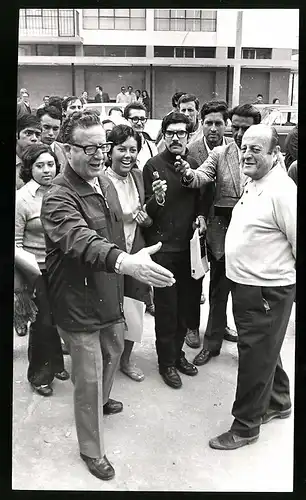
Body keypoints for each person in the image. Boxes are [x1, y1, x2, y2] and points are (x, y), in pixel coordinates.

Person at [40, 111, 175, 481]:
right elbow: (80, 240)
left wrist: (130, 261)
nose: (100, 155)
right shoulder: (58, 197)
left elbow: (118, 230)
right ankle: (92, 449)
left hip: (110, 292)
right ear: (68, 150)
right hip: (79, 300)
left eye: (103, 146)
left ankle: (101, 402)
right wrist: (125, 263)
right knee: (88, 375)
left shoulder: (106, 184)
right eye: (90, 148)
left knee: (114, 351)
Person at [208, 124, 296, 450]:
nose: (247, 153)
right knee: (264, 349)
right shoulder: (256, 180)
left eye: (256, 149)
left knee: (254, 356)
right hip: (248, 285)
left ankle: (246, 427)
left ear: (276, 155)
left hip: (266, 290)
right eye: (244, 147)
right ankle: (279, 402)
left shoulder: (283, 191)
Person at [175, 103, 262, 366]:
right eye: (235, 127)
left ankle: (250, 350)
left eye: (244, 128)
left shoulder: (269, 156)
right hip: (223, 238)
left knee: (250, 300)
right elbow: (201, 175)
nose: (238, 133)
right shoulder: (220, 153)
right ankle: (211, 346)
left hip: (255, 238)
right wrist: (188, 174)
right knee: (218, 294)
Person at [143, 111, 206, 389]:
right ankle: (165, 363)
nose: (176, 138)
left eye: (181, 133)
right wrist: (156, 198)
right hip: (164, 249)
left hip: (190, 248)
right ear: (164, 136)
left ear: (189, 136)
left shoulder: (193, 164)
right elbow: (148, 212)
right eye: (170, 133)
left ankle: (177, 353)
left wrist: (202, 216)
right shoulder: (152, 166)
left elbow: (204, 196)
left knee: (186, 308)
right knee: (167, 310)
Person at [15, 143, 69, 396]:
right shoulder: (22, 199)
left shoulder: (61, 191)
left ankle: (57, 364)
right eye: (40, 165)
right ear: (29, 169)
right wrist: (24, 281)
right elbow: (14, 243)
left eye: (50, 164)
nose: (47, 170)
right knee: (42, 323)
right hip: (35, 271)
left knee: (58, 320)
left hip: (62, 268)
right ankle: (39, 375)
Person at [105, 124, 153, 382]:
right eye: (121, 148)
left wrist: (144, 219)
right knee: (109, 309)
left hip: (136, 249)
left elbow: (143, 215)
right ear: (109, 150)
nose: (127, 155)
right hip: (110, 253)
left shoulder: (137, 177)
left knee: (135, 306)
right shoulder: (100, 181)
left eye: (133, 150)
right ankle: (107, 360)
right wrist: (126, 215)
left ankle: (126, 360)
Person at [185, 100, 234, 349]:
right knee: (194, 279)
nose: (213, 128)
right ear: (201, 124)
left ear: (226, 125)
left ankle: (219, 323)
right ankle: (192, 327)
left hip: (225, 227)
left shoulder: (235, 150)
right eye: (208, 123)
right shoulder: (191, 152)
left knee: (220, 283)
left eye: (218, 123)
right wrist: (198, 217)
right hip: (195, 223)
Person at [123, 101, 158, 315]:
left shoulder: (151, 145)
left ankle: (148, 297)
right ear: (127, 120)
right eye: (134, 118)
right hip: (128, 202)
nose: (138, 122)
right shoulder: (123, 142)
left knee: (146, 250)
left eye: (142, 119)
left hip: (145, 200)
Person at [123, 102, 158, 171]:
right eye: (135, 119)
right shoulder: (119, 145)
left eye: (142, 119)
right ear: (126, 120)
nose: (139, 123)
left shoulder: (151, 147)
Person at [36, 106, 67, 172]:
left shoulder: (65, 150)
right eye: (46, 127)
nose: (51, 133)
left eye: (55, 129)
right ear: (37, 125)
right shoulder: (27, 150)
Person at [16, 114, 42, 190]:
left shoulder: (43, 158)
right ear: (17, 134)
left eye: (38, 134)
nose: (34, 138)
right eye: (28, 133)